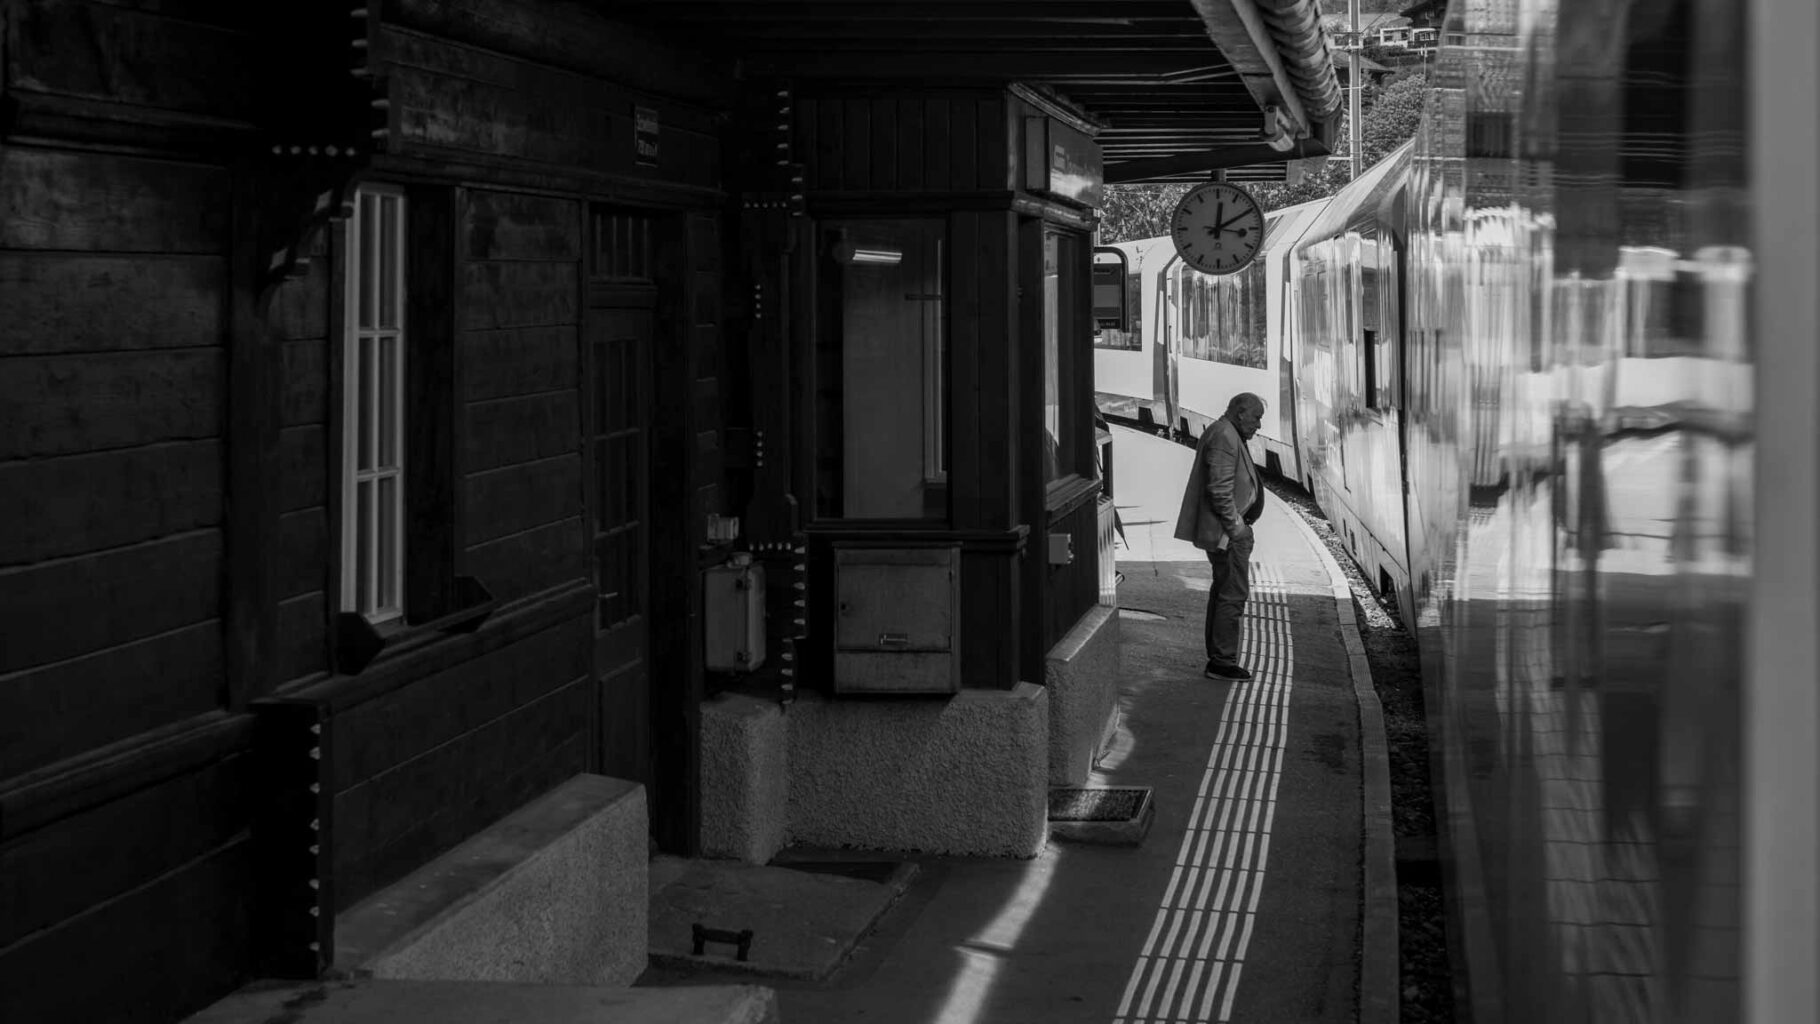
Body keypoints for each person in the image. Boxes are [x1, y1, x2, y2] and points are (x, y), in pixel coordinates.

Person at [1173, 393, 1266, 680]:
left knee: (1223, 591)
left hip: (1228, 533)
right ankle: (1222, 661)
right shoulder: (1225, 437)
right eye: (1256, 417)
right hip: (1228, 536)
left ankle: (1219, 656)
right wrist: (1237, 529)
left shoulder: (1225, 432)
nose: (1259, 425)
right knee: (1232, 595)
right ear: (1240, 414)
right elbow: (1220, 490)